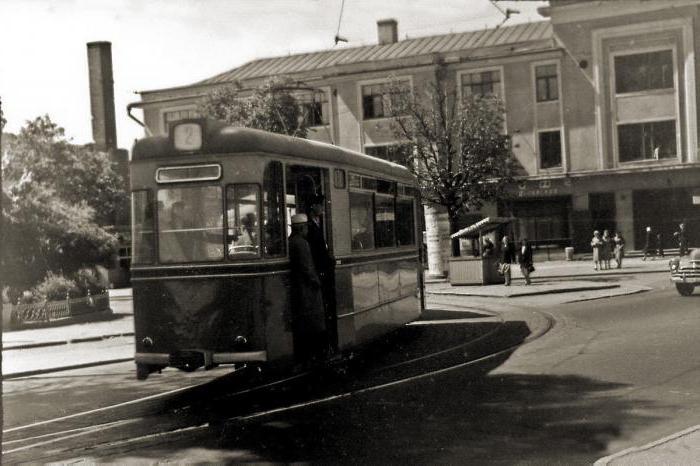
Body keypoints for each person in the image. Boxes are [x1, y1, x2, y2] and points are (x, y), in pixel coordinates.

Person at [288, 213, 326, 363]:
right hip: (306, 289)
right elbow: (307, 267)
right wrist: (317, 282)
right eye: (306, 228)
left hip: (297, 287)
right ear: (302, 228)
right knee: (313, 321)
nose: (307, 231)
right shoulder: (302, 243)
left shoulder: (290, 241)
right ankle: (314, 354)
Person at [306, 194, 336, 355]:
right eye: (321, 205)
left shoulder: (317, 223)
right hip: (319, 271)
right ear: (313, 207)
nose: (323, 208)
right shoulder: (309, 226)